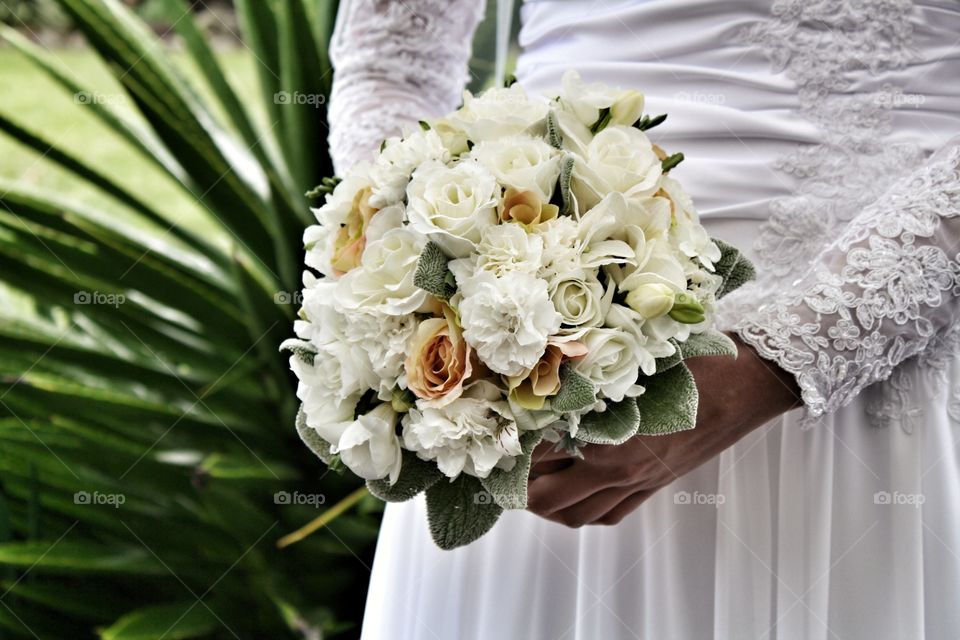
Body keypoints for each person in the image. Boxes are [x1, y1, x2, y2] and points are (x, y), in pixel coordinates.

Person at [327, 1, 960, 637]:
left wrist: (782, 363)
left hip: (871, 354)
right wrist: (413, 266)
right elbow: (390, 62)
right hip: (522, 359)